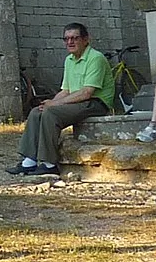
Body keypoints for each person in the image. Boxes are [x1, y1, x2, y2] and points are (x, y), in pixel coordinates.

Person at [7, 22, 112, 176]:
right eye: (66, 39)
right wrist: (48, 103)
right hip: (78, 101)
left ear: (85, 40)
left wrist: (54, 105)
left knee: (51, 114)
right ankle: (29, 161)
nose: (70, 42)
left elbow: (87, 92)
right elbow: (66, 90)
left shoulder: (95, 58)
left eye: (75, 38)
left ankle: (49, 164)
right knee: (37, 112)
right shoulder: (69, 60)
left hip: (96, 103)